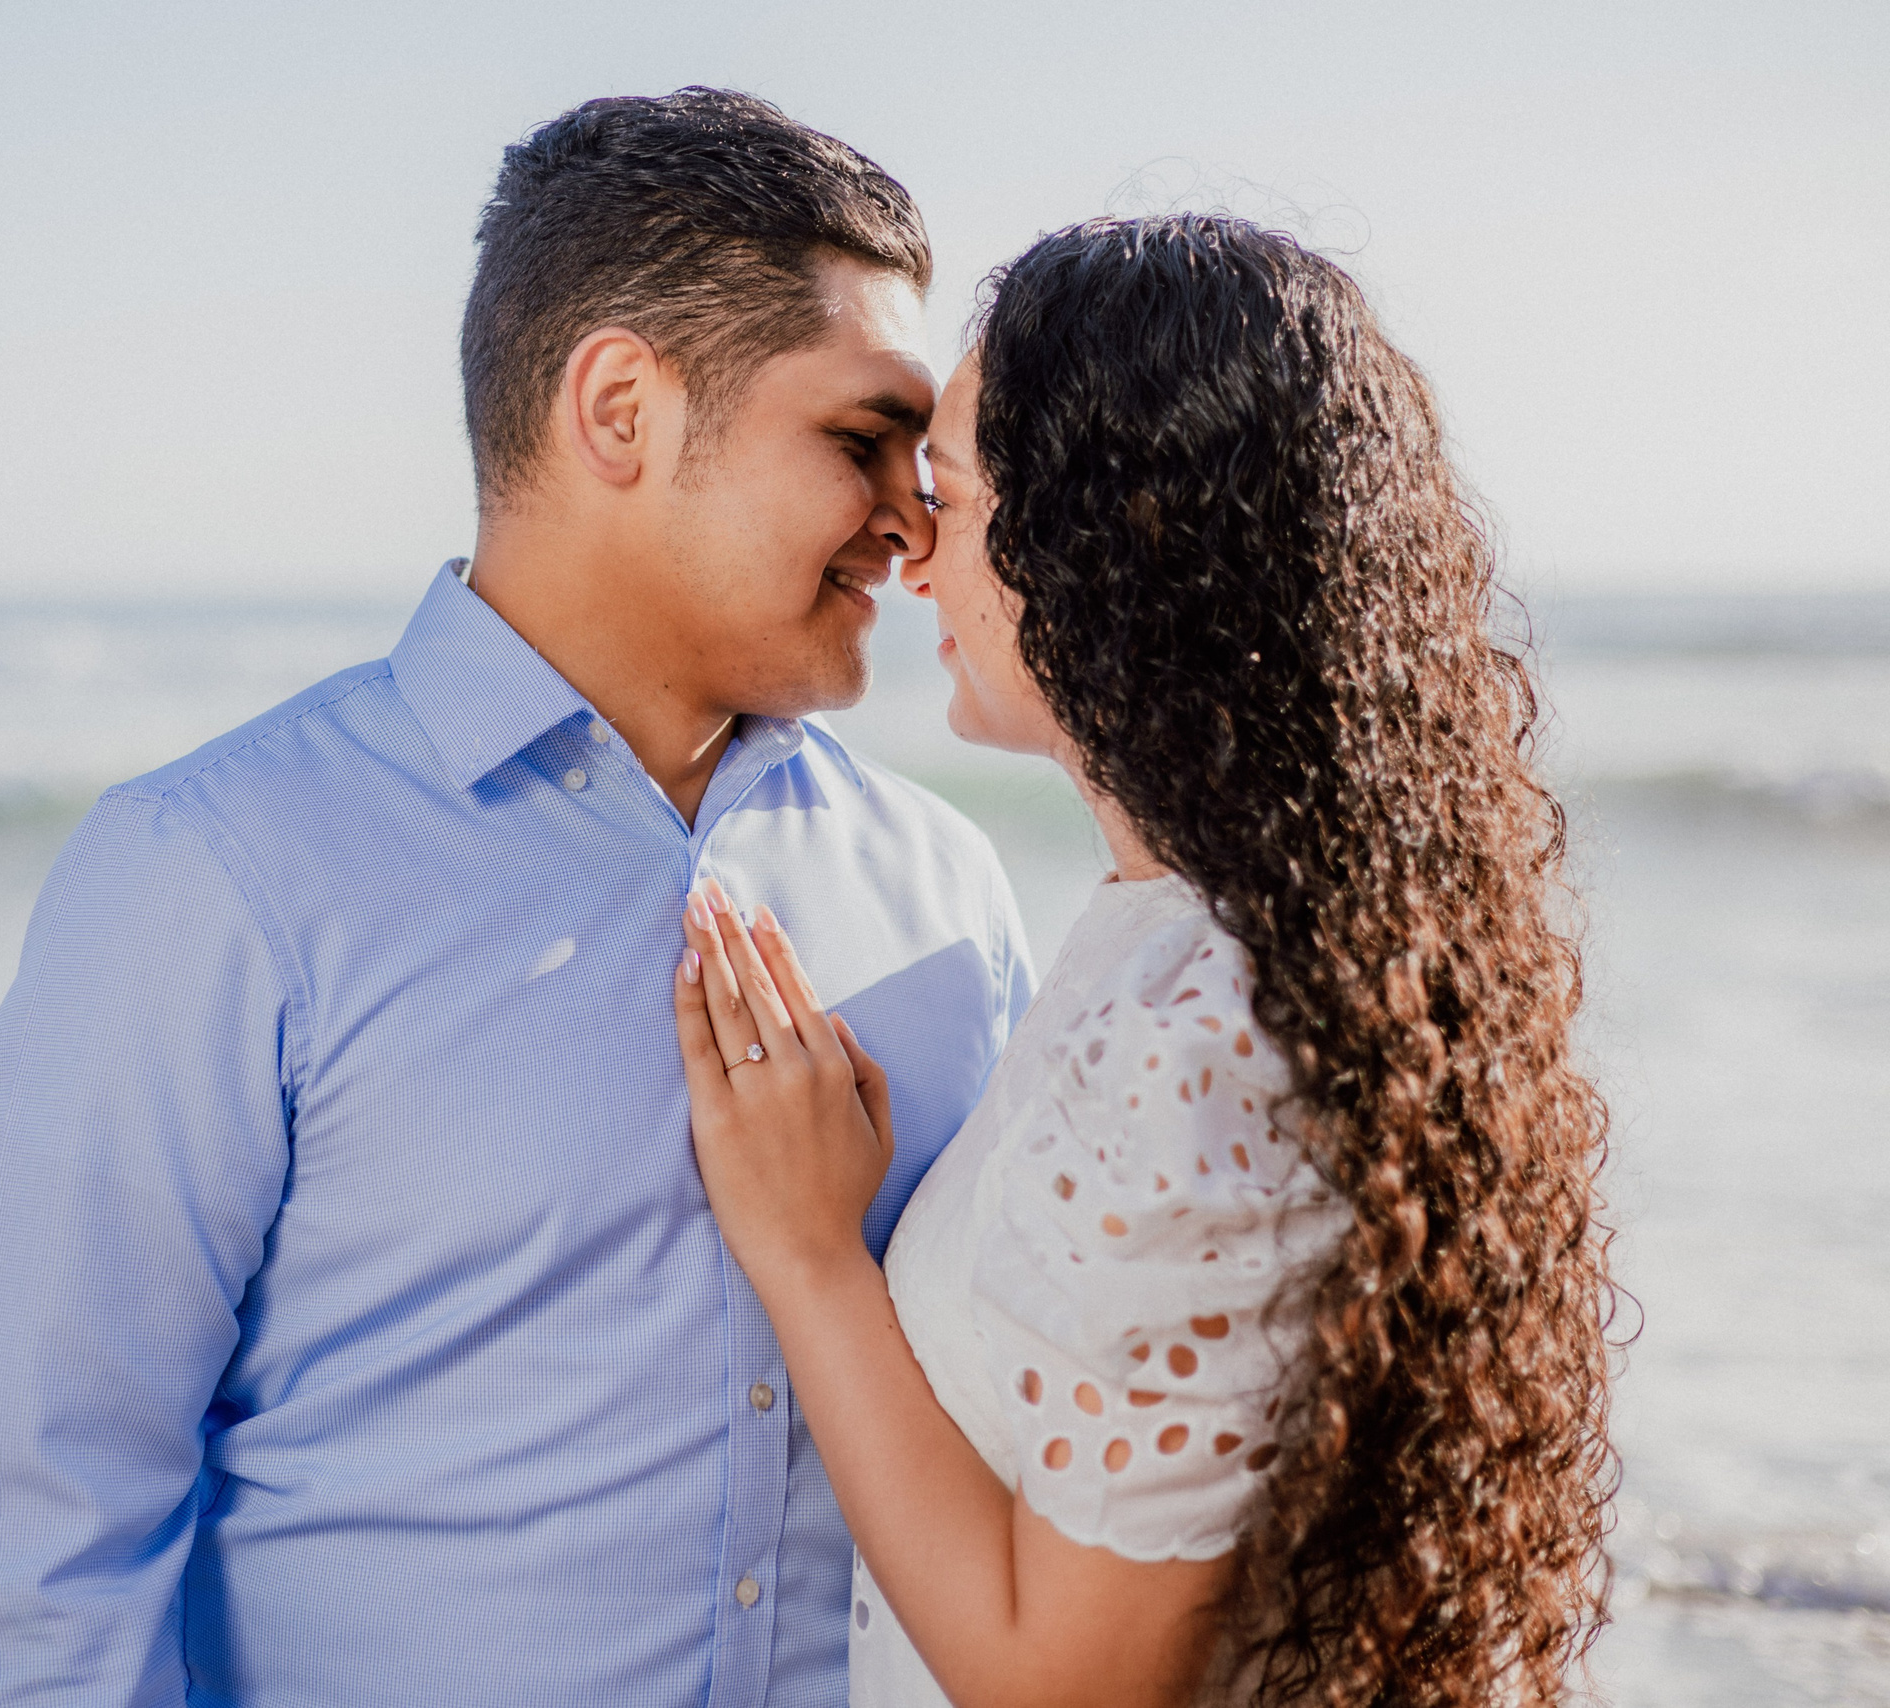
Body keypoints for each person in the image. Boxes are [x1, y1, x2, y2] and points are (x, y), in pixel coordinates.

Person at [0, 90, 1034, 1706]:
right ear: (619, 410)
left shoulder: (943, 889)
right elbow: (63, 1551)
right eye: (858, 440)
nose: (916, 517)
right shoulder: (216, 877)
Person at [672, 217, 1618, 1708]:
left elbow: (1072, 1689)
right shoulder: (1252, 944)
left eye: (961, 495)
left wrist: (808, 1260)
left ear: (1125, 542)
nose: (912, 542)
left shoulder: (1203, 1029)